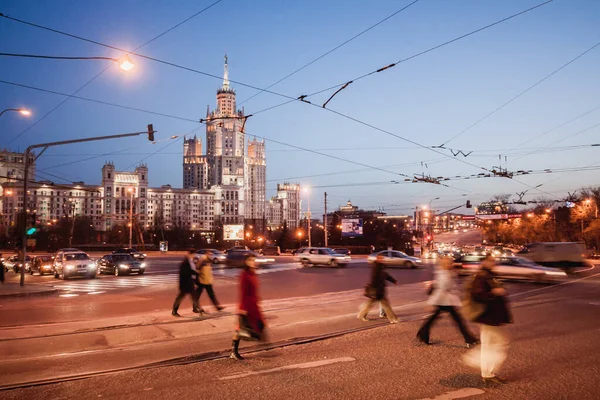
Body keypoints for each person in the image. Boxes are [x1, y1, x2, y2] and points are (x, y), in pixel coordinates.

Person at [464, 255, 513, 384]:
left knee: (491, 344)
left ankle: (487, 373)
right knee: (500, 342)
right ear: (485, 261)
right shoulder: (481, 276)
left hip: (491, 317)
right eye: (491, 260)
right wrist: (494, 293)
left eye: (494, 260)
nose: (494, 262)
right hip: (488, 317)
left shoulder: (489, 274)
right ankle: (479, 365)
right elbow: (477, 294)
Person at [416, 256, 478, 346]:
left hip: (446, 300)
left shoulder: (447, 272)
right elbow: (441, 289)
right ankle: (469, 339)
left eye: (451, 262)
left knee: (434, 319)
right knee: (458, 321)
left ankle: (422, 334)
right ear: (444, 264)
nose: (451, 264)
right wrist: (432, 302)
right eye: (449, 263)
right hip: (445, 300)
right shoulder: (443, 274)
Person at [231, 254, 266, 360]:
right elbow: (243, 292)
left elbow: (254, 289)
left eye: (254, 260)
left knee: (260, 325)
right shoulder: (244, 275)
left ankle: (261, 341)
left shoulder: (253, 274)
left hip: (253, 304)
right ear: (246, 262)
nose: (253, 262)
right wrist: (243, 309)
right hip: (245, 306)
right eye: (250, 260)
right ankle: (234, 351)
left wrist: (257, 298)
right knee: (239, 329)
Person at [357, 255, 399, 323]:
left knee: (373, 305)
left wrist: (394, 281)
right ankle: (393, 319)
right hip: (377, 290)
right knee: (385, 305)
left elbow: (386, 275)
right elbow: (374, 279)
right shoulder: (376, 267)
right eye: (381, 259)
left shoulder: (381, 267)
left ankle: (362, 314)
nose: (383, 260)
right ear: (378, 259)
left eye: (383, 259)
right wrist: (375, 290)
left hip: (379, 290)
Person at [172, 251, 201, 317]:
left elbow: (192, 270)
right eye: (193, 254)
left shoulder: (190, 261)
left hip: (190, 283)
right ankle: (174, 311)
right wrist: (196, 273)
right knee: (180, 298)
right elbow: (188, 272)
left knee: (194, 296)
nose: (194, 256)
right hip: (185, 283)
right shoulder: (185, 262)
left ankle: (196, 309)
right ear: (190, 254)